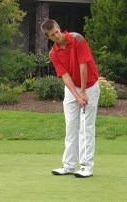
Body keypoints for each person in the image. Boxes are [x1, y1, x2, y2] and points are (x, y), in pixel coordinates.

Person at [41, 19, 100, 178]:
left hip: (89, 86)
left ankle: (86, 167)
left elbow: (83, 65)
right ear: (49, 37)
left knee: (86, 128)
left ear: (59, 27)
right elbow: (65, 77)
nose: (57, 36)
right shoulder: (53, 53)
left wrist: (83, 93)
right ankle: (68, 165)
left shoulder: (77, 39)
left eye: (57, 31)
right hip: (72, 88)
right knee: (71, 127)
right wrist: (76, 95)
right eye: (53, 35)